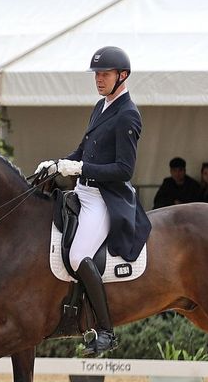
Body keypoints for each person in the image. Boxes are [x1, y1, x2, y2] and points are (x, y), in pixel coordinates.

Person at [33, 46, 151, 357]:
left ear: (121, 76)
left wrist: (81, 168)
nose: (99, 79)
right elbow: (83, 150)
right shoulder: (100, 106)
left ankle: (106, 332)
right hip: (82, 190)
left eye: (105, 74)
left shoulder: (128, 114)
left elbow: (124, 170)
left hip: (104, 197)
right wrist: (58, 163)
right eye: (97, 74)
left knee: (77, 255)